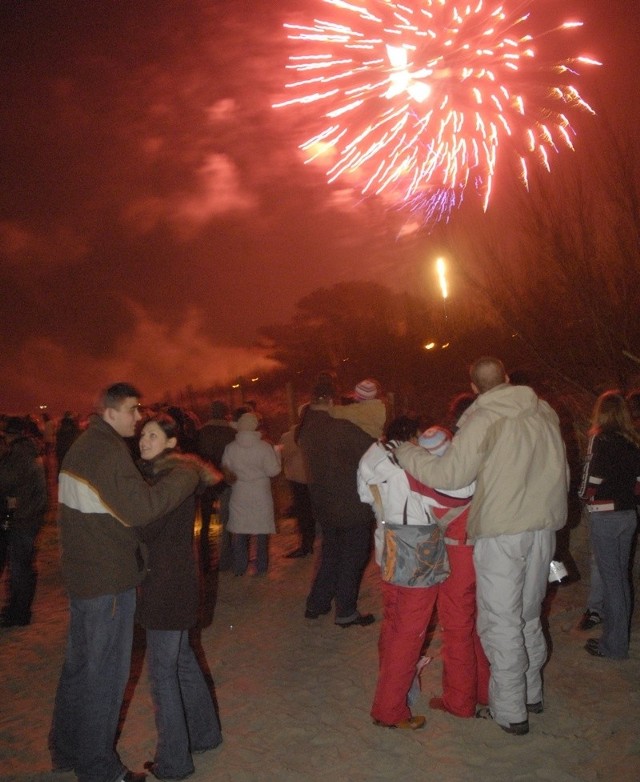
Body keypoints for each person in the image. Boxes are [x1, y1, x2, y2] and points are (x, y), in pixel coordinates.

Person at [395, 357, 568, 736]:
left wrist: (407, 454)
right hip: (543, 528)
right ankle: (531, 693)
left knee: (500, 621)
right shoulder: (543, 411)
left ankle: (510, 711)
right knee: (527, 615)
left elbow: (450, 474)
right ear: (506, 379)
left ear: (473, 387)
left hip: (502, 530)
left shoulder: (482, 418)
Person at [49, 382, 207, 782]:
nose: (138, 420)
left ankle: (67, 748)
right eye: (134, 411)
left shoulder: (82, 447)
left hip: (86, 575)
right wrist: (187, 472)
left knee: (80, 667)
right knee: (105, 673)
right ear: (111, 412)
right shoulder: (106, 451)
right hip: (108, 580)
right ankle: (98, 768)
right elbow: (142, 509)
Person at [136, 414, 222, 780]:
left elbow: (147, 526)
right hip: (176, 581)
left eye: (153, 435)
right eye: (142, 435)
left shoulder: (172, 480)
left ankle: (173, 762)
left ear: (172, 442)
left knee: (162, 673)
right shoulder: (165, 477)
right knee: (182, 662)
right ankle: (205, 734)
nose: (144, 440)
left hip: (167, 586)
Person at [408, 426, 489, 719]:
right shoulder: (477, 469)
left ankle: (460, 700)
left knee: (456, 631)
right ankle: (487, 690)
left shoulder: (428, 483)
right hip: (484, 554)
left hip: (455, 560)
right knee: (483, 626)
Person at [357, 415, 432, 729]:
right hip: (416, 546)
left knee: (393, 621)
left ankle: (399, 690)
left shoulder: (371, 454)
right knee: (410, 631)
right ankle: (390, 708)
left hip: (386, 542)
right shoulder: (411, 463)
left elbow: (365, 496)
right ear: (412, 437)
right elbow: (434, 504)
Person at [298, 379, 376, 627]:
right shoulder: (340, 428)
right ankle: (346, 612)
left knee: (331, 554)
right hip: (350, 504)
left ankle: (317, 603)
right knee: (353, 557)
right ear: (332, 402)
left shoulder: (306, 429)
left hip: (323, 503)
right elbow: (373, 451)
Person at [578, 391, 640, 660]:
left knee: (612, 579)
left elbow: (591, 480)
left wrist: (583, 496)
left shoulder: (600, 439)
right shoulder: (633, 440)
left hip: (606, 515)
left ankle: (614, 646)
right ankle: (617, 639)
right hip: (628, 514)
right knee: (620, 579)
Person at [0, 416, 48, 627]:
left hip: (22, 519)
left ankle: (18, 613)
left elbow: (4, 482)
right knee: (22, 566)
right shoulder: (30, 451)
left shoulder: (18, 455)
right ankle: (17, 609)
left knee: (20, 568)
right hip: (30, 517)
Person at [222, 412, 281, 576]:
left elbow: (226, 470)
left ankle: (240, 567)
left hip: (239, 492)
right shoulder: (264, 447)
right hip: (260, 493)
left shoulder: (230, 448)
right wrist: (277, 454)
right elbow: (273, 470)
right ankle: (261, 567)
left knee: (240, 530)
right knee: (262, 531)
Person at [196, 401, 235, 571]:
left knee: (204, 522)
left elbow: (197, 456)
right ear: (225, 413)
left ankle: (205, 559)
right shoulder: (232, 432)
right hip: (226, 479)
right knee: (226, 519)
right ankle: (226, 558)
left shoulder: (201, 432)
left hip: (206, 479)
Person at [279, 411, 316, 558]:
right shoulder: (318, 434)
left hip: (298, 480)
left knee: (304, 513)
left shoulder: (289, 436)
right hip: (317, 479)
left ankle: (306, 545)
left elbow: (283, 455)